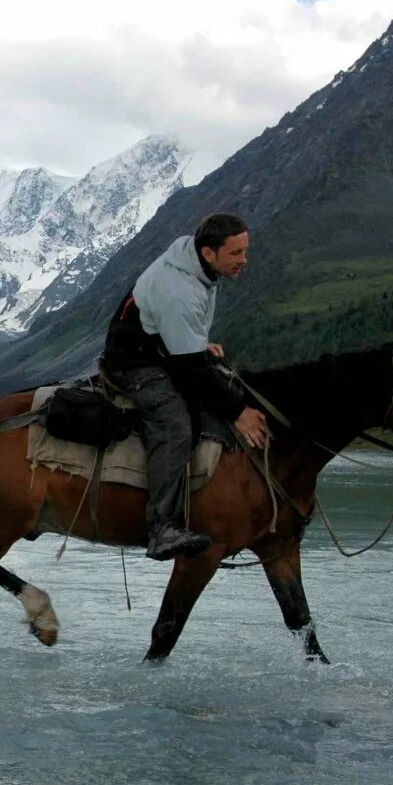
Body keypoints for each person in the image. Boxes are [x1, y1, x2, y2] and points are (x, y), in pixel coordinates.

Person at [100, 213, 270, 561]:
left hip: (159, 348)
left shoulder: (195, 265)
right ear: (209, 253)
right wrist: (237, 412)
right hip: (135, 364)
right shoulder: (180, 288)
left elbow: (180, 335)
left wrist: (192, 342)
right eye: (236, 253)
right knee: (175, 425)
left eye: (245, 251)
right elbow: (189, 369)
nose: (244, 260)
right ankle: (162, 526)